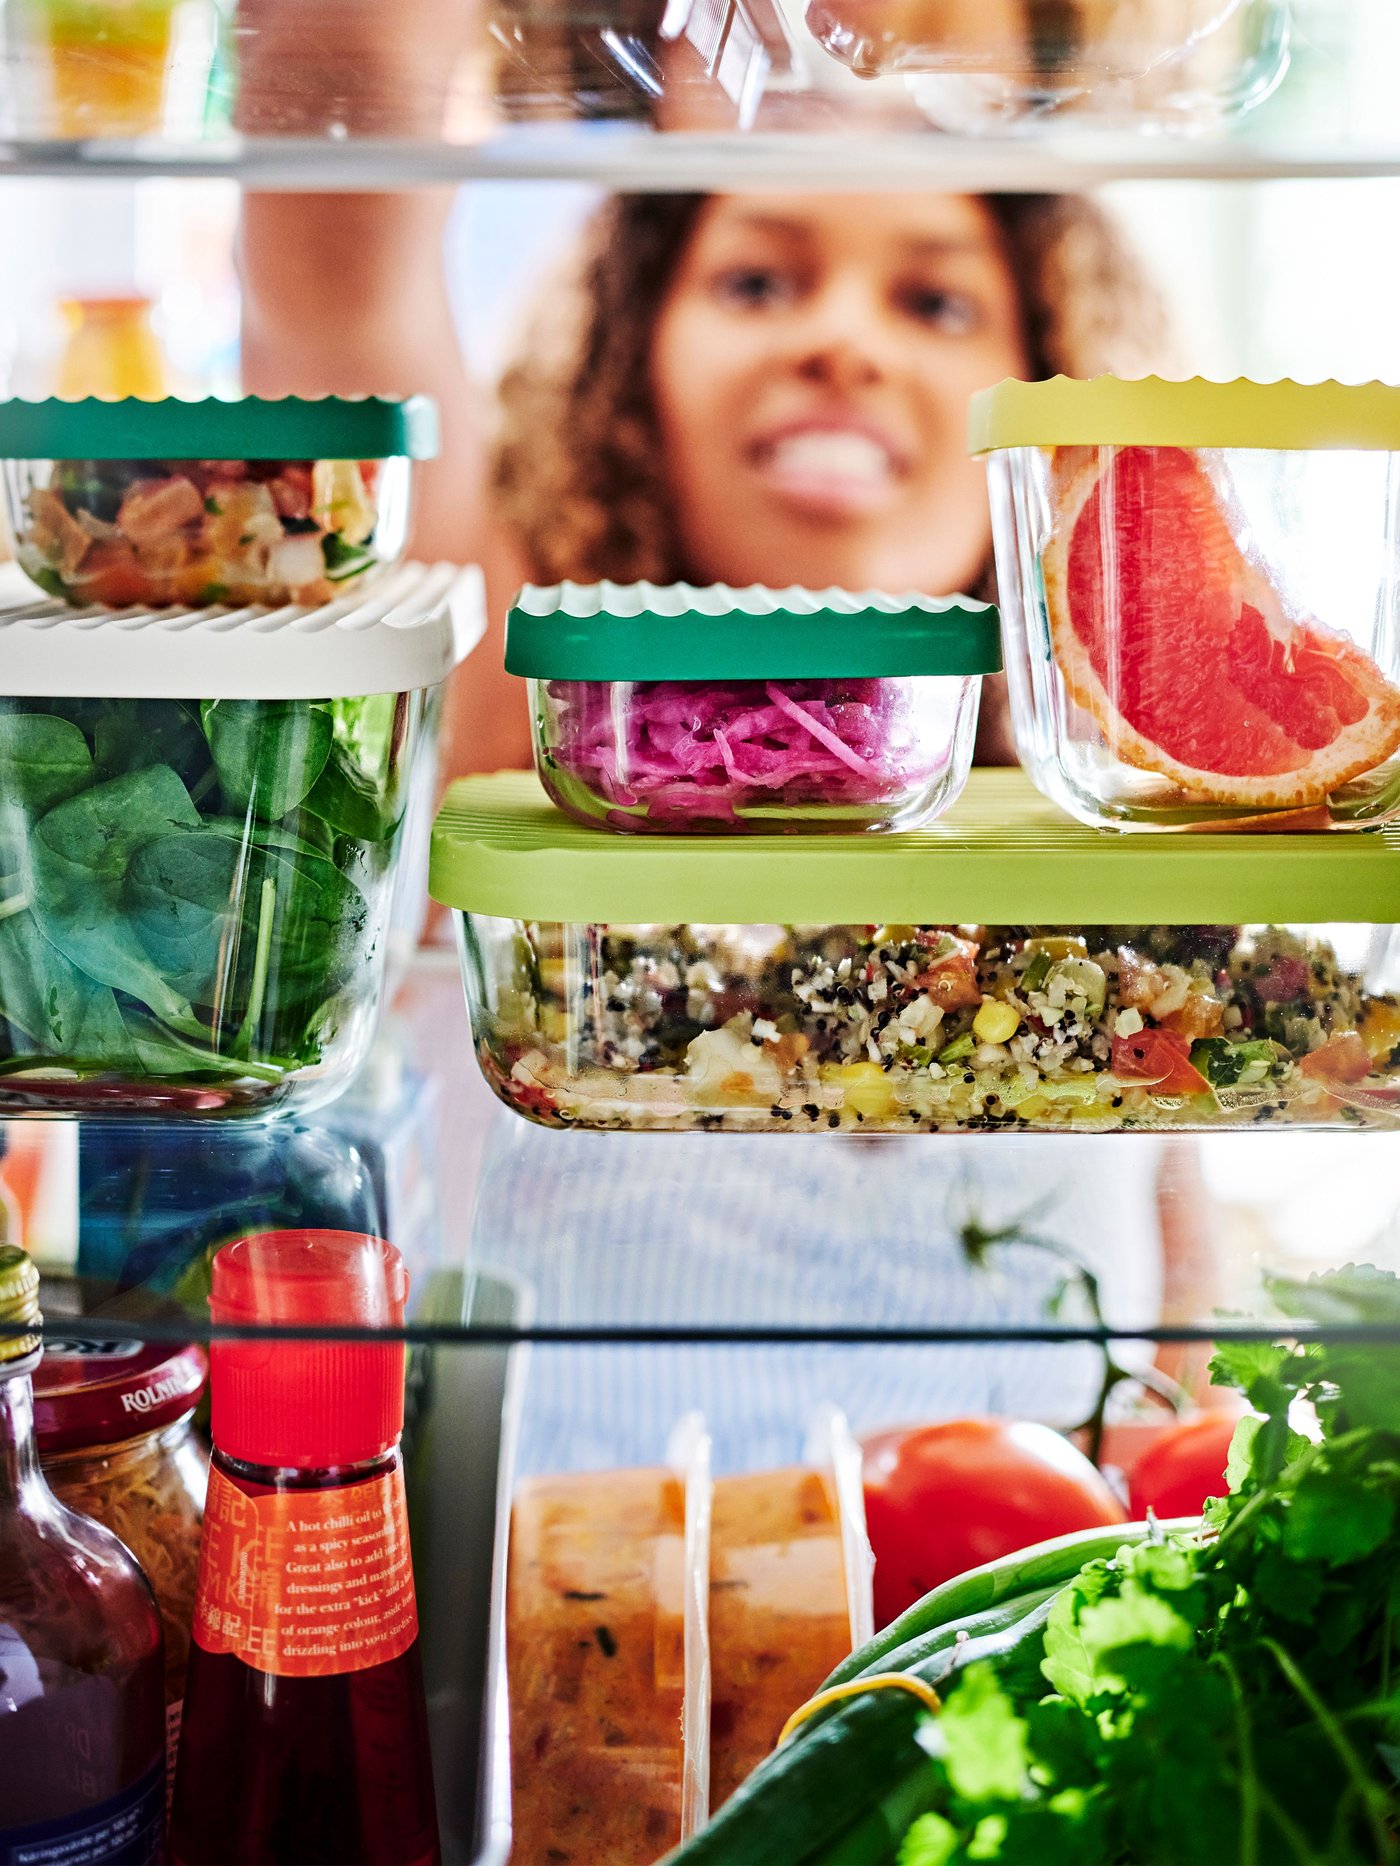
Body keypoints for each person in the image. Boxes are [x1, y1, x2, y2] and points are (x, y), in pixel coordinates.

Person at [238, 186, 1163, 774]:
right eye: (757, 284)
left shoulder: (1140, 778)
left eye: (936, 303)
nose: (844, 344)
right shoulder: (498, 674)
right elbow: (333, 264)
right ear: (631, 354)